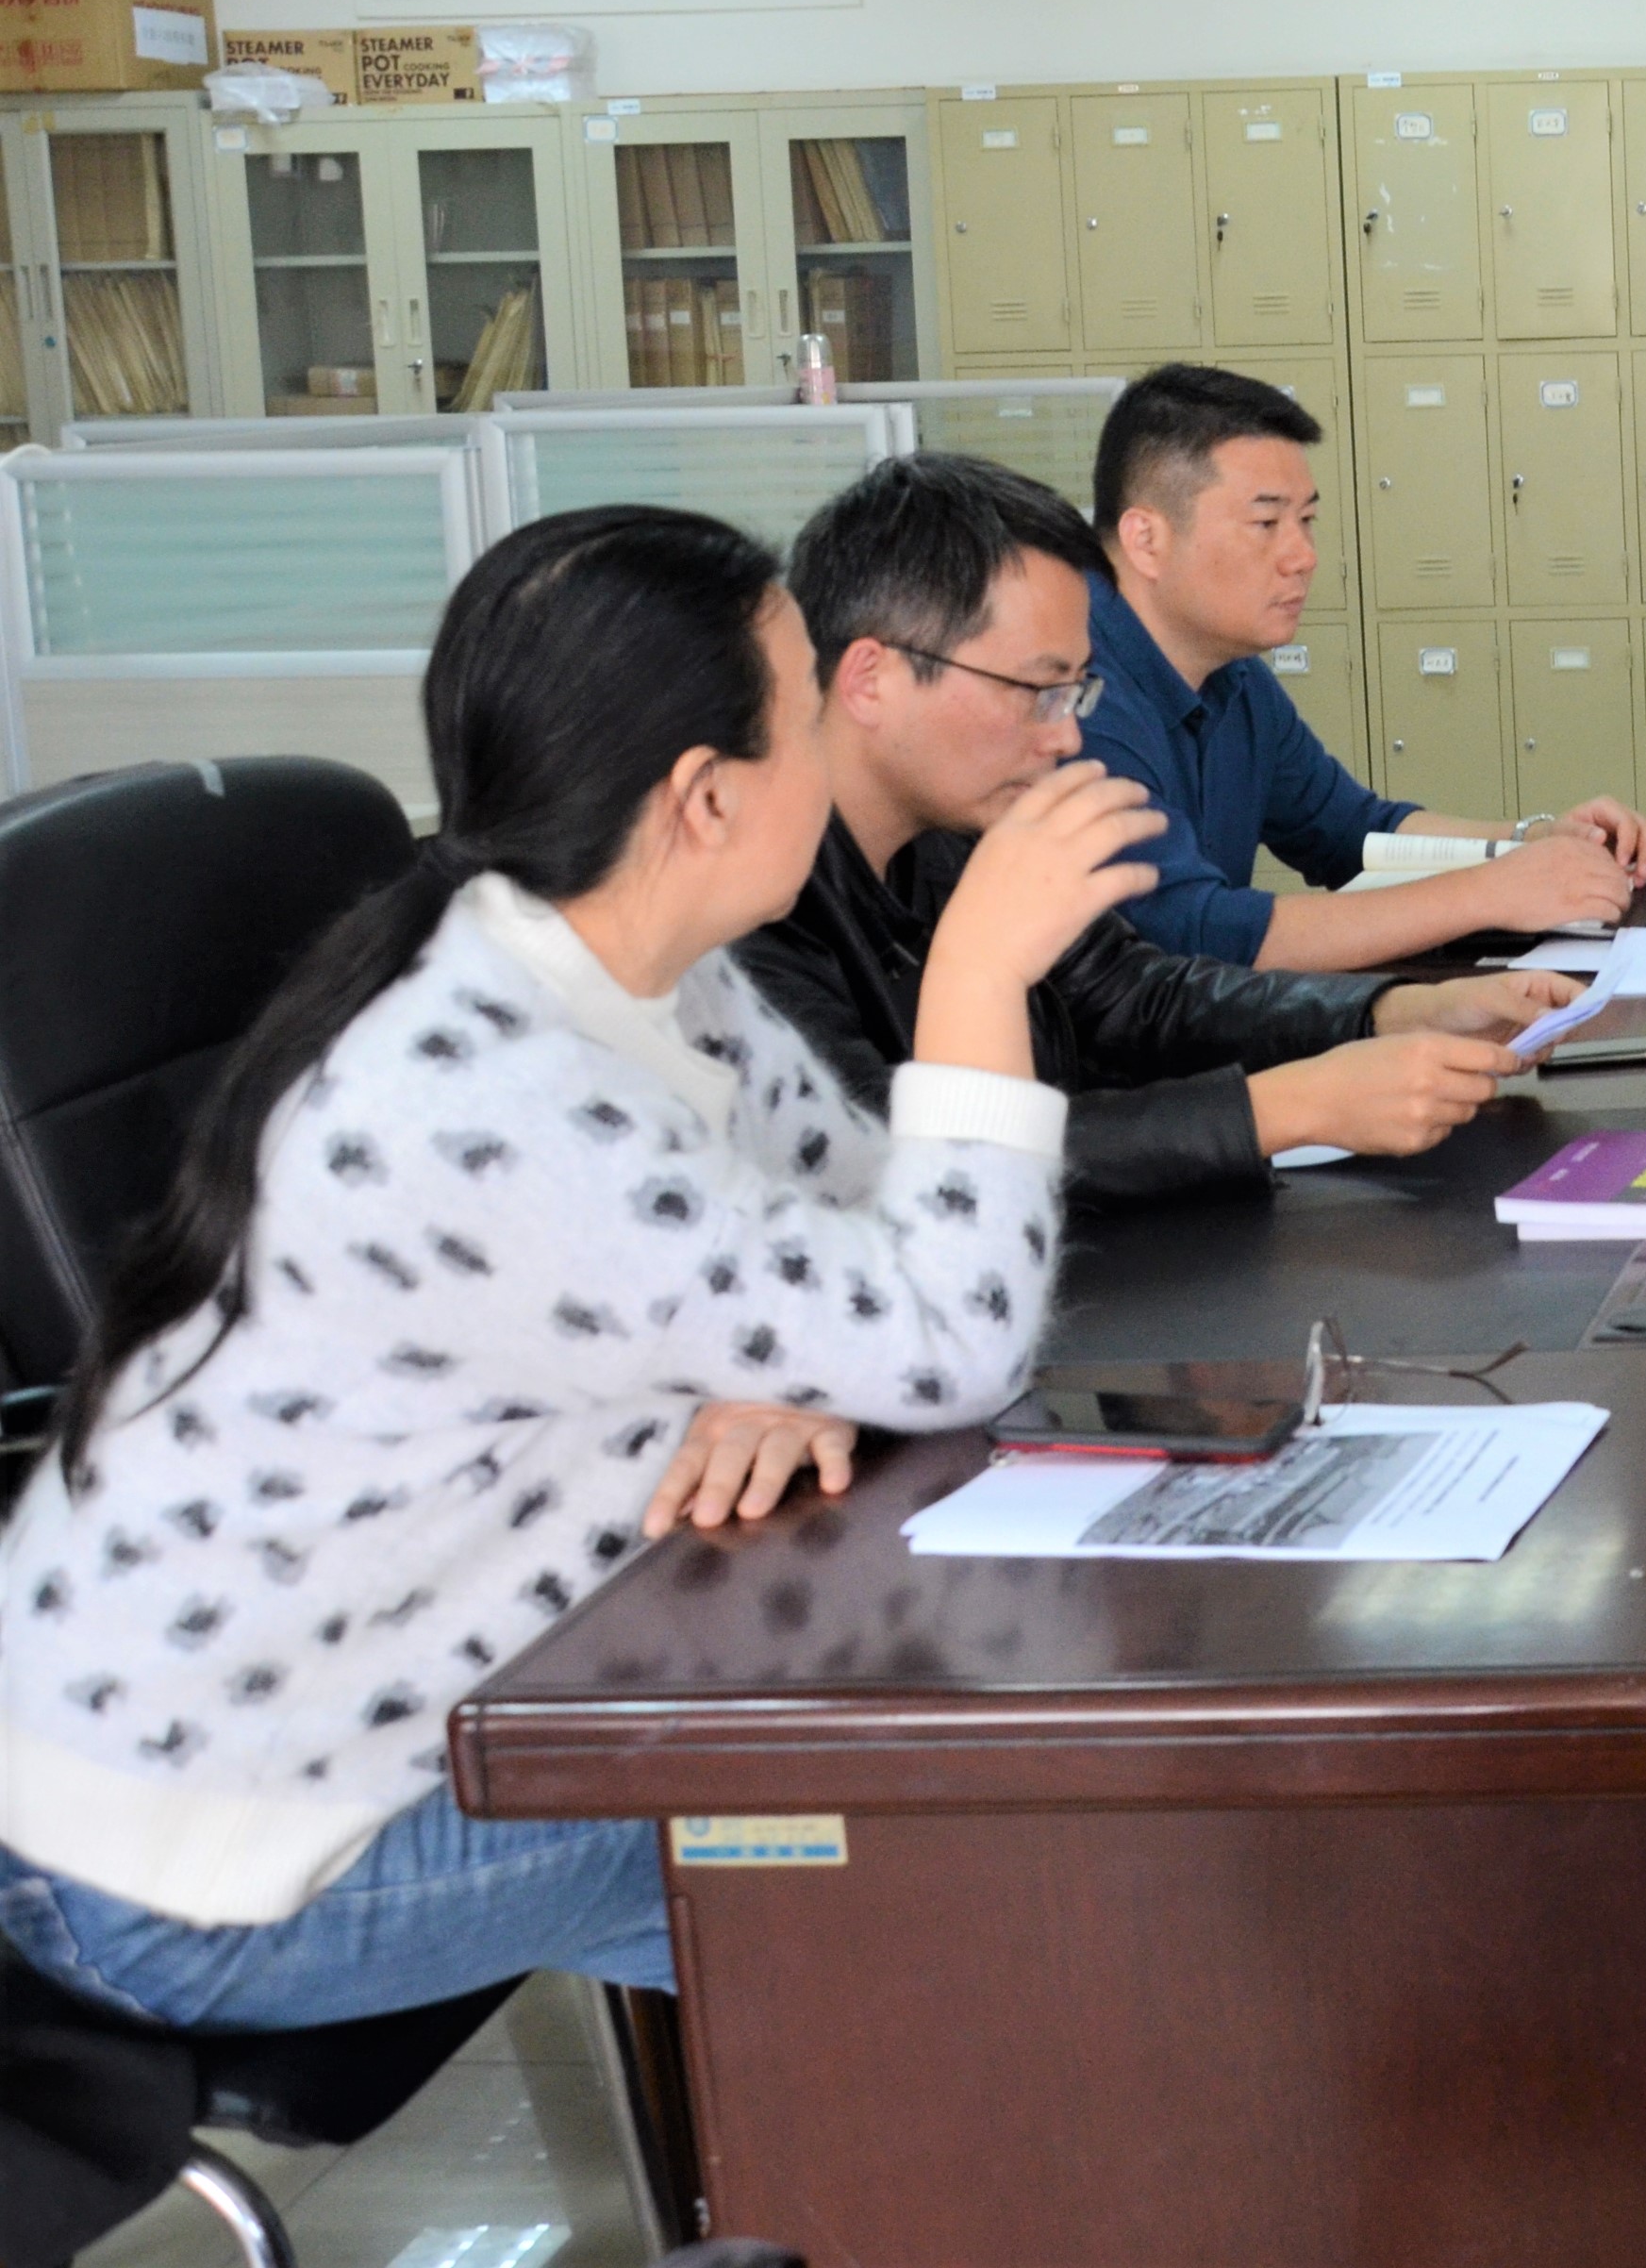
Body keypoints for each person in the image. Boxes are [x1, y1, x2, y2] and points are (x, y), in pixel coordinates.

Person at [0, 507, 1152, 2029]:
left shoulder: (642, 973)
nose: (839, 752)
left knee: (947, 1801)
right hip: (195, 1858)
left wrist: (805, 1366)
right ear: (703, 796)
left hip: (361, 1724)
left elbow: (880, 1231)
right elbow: (952, 1331)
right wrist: (979, 975)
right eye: (810, 716)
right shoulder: (493, 1097)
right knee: (923, 1835)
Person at [740, 454, 1584, 1198]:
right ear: (872, 679)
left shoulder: (962, 825)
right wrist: (1284, 1109)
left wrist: (1397, 1013)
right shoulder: (741, 908)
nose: (1065, 738)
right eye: (1035, 690)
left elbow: (1134, 996)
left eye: (1075, 692)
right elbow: (890, 1160)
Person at [1076, 363, 1646, 969]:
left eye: (1306, 521)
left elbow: (1351, 832)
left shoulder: (1232, 675)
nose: (1303, 556)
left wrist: (1529, 841)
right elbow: (1194, 934)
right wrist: (1488, 892)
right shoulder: (1073, 697)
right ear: (1146, 539)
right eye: (1266, 524)